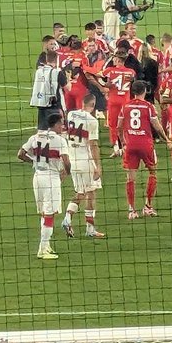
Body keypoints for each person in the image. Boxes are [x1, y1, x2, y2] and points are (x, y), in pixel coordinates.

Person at [17, 113, 72, 261]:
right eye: (61, 124)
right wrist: (66, 173)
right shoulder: (60, 140)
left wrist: (34, 161)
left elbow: (20, 154)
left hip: (37, 178)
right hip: (51, 178)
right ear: (55, 125)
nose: (63, 126)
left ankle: (46, 246)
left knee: (44, 212)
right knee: (50, 214)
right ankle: (42, 249)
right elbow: (66, 161)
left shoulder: (35, 137)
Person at [118, 80, 168, 219]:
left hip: (131, 144)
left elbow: (119, 126)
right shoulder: (148, 106)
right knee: (153, 172)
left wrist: (123, 142)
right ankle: (148, 207)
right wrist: (166, 138)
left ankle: (131, 210)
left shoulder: (125, 106)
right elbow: (157, 125)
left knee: (130, 178)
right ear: (144, 91)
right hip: (145, 144)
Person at [63, 93, 106, 239]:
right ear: (93, 105)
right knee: (90, 193)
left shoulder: (71, 114)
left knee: (81, 192)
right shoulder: (92, 121)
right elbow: (93, 145)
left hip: (72, 160)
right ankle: (75, 221)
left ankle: (75, 221)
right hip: (85, 161)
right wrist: (98, 166)